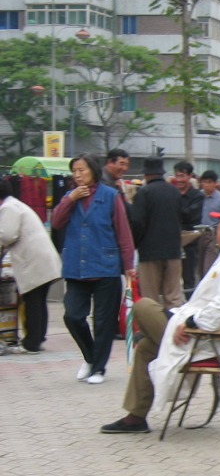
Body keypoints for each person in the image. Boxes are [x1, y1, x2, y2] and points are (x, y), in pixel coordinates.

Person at [100, 201, 220, 434]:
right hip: (202, 330)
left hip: (206, 337)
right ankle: (135, 418)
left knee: (143, 306)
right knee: (146, 347)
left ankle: (150, 338)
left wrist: (190, 324)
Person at [51, 153, 136, 385]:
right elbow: (56, 222)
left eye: (82, 170)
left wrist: (129, 265)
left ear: (93, 171)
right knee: (72, 315)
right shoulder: (70, 196)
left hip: (105, 267)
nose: (78, 175)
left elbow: (123, 232)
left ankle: (98, 368)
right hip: (76, 267)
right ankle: (90, 356)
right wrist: (70, 199)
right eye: (74, 171)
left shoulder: (110, 196)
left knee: (103, 322)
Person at [0, 179, 62, 353]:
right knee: (39, 301)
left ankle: (31, 342)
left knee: (32, 301)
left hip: (34, 261)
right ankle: (38, 338)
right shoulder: (15, 204)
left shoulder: (8, 208)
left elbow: (6, 236)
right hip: (41, 259)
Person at [132, 156, 184, 310]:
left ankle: (155, 326)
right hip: (173, 251)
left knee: (150, 299)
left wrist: (136, 244)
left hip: (149, 252)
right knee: (173, 297)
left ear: (146, 174)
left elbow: (137, 222)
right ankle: (174, 324)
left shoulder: (143, 192)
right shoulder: (175, 191)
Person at [174, 162, 204, 293]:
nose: (179, 179)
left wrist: (174, 212)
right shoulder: (173, 193)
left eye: (182, 176)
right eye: (177, 176)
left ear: (190, 176)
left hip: (190, 242)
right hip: (173, 241)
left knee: (188, 277)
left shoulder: (197, 196)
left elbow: (190, 215)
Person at [198, 170, 220, 278]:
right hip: (197, 234)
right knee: (198, 267)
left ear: (215, 183)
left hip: (212, 234)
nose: (206, 185)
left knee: (208, 267)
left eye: (209, 182)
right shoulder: (198, 196)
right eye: (204, 182)